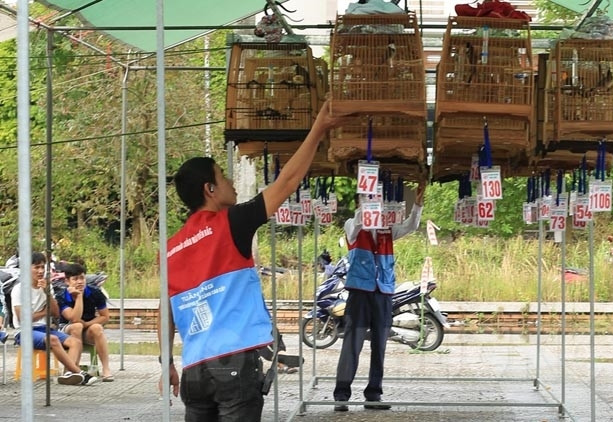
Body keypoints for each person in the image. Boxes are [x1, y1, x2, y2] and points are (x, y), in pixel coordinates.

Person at [158, 100, 346, 421]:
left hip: (193, 371)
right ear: (210, 189)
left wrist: (167, 365)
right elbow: (286, 183)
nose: (231, 183)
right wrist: (319, 128)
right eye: (224, 177)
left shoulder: (170, 248)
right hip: (233, 364)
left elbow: (166, 312)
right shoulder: (232, 222)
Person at [333, 182, 425, 411]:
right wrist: (367, 200)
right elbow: (357, 222)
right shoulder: (352, 226)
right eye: (371, 200)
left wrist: (418, 204)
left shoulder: (388, 228)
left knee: (380, 345)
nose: (378, 204)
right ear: (361, 203)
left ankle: (373, 394)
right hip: (360, 292)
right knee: (352, 344)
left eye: (378, 200)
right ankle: (341, 395)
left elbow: (411, 226)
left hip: (383, 292)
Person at [11, 252, 97, 386]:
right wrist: (44, 312)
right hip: (24, 331)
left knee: (75, 342)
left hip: (44, 329)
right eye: (36, 267)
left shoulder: (47, 287)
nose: (40, 271)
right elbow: (24, 319)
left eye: (42, 267)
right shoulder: (19, 290)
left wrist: (47, 293)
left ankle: (68, 374)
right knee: (53, 339)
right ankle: (79, 373)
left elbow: (56, 313)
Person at [55, 262, 114, 381]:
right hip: (66, 330)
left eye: (82, 278)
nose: (79, 282)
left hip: (87, 327)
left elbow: (105, 317)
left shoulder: (95, 292)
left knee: (97, 328)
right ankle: (72, 369)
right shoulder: (61, 296)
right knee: (76, 326)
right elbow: (74, 318)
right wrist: (79, 297)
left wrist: (87, 324)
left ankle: (106, 369)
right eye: (75, 279)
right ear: (67, 281)